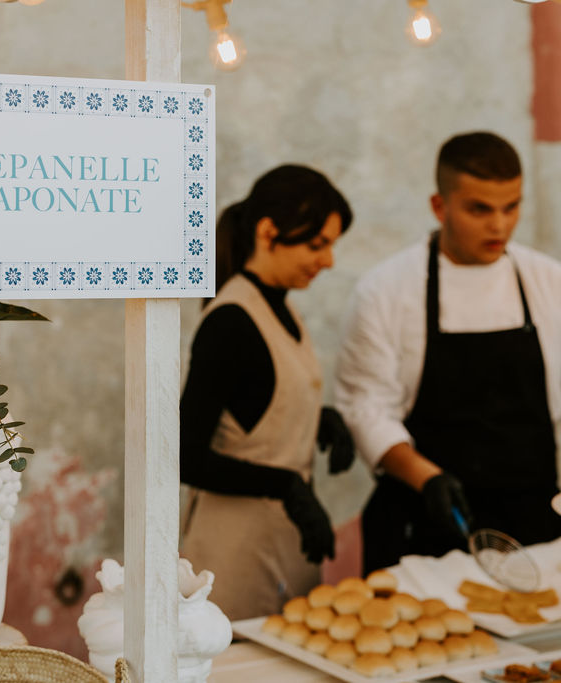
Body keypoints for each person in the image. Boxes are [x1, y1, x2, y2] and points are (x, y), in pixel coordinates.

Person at [335, 131, 561, 573]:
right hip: (424, 521)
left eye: (511, 207)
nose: (499, 226)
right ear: (440, 207)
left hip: (533, 524)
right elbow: (365, 408)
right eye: (480, 209)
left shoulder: (548, 283)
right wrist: (427, 477)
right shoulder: (385, 291)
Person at [180, 164, 356, 621]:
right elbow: (185, 456)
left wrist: (321, 420)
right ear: (268, 231)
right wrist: (286, 486)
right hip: (231, 554)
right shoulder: (230, 323)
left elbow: (257, 408)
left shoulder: (283, 311)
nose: (329, 260)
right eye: (317, 245)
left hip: (285, 540)